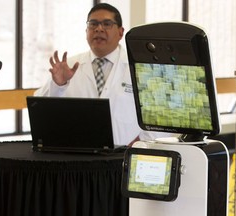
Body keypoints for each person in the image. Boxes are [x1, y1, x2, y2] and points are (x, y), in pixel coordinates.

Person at [35, 3, 167, 146]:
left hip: (125, 156)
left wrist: (140, 142)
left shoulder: (141, 68)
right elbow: (40, 110)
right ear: (86, 31)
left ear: (121, 32)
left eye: (107, 24)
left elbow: (161, 115)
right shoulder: (68, 66)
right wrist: (58, 85)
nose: (99, 29)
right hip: (77, 155)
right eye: (93, 24)